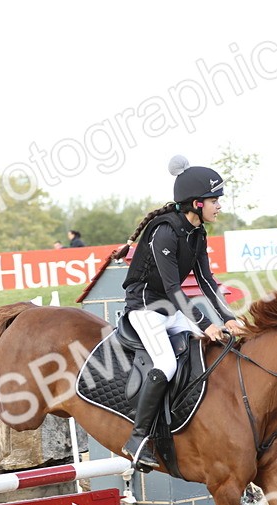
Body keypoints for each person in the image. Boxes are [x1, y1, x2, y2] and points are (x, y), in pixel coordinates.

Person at [108, 155, 246, 469]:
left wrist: (227, 317)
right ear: (197, 203)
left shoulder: (197, 233)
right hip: (145, 307)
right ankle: (138, 437)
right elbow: (172, 287)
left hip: (170, 308)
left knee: (211, 345)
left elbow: (206, 281)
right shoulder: (165, 233)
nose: (219, 206)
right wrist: (203, 321)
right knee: (167, 363)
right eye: (215, 200)